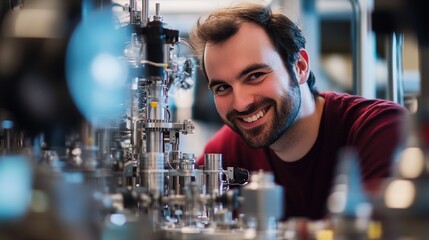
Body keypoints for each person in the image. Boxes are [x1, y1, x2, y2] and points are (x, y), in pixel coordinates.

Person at [189, 2, 407, 220]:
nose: (240, 103)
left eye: (255, 75)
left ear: (300, 66)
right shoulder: (225, 152)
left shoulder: (380, 129)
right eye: (223, 88)